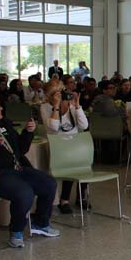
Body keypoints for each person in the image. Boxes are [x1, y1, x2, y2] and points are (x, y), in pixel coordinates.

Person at [0, 91, 60, 247]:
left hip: (18, 169)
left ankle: (40, 223)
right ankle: (16, 231)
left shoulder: (4, 124)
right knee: (24, 192)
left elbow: (20, 149)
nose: (0, 109)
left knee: (48, 183)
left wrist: (28, 132)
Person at [40, 80, 90, 214]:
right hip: (57, 147)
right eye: (55, 94)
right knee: (71, 164)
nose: (59, 96)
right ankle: (64, 200)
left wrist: (77, 106)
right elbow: (54, 128)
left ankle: (81, 196)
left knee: (85, 161)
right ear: (48, 96)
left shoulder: (71, 105)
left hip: (73, 146)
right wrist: (56, 107)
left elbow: (84, 126)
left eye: (61, 92)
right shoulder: (45, 107)